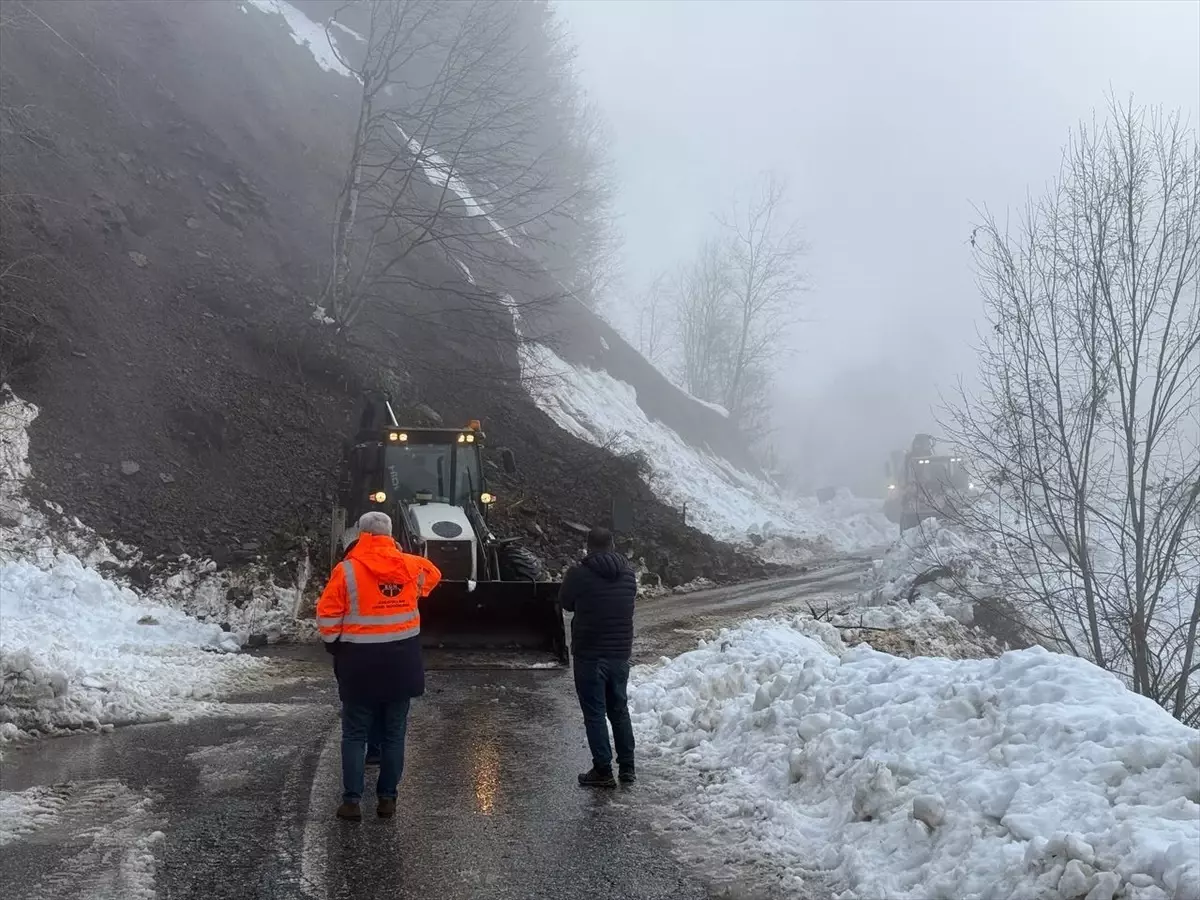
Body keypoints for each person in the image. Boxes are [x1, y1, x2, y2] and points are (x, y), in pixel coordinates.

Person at [317, 511, 441, 820]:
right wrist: (401, 559)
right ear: (389, 536)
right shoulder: (411, 567)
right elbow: (433, 574)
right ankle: (387, 800)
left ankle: (351, 801)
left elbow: (328, 617)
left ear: (361, 535)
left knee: (355, 734)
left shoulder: (346, 571)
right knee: (394, 734)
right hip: (401, 664)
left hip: (359, 665)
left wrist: (334, 645)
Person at [559, 526, 637, 787]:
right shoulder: (628, 574)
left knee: (595, 713)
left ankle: (603, 771)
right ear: (612, 544)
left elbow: (565, 603)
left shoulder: (579, 574)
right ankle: (627, 768)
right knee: (619, 710)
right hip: (619, 653)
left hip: (589, 654)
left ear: (588, 546)